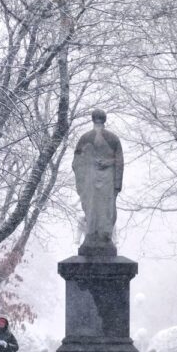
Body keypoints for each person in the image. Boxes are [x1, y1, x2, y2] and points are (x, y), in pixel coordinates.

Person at [72, 109, 124, 254]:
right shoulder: (91, 138)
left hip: (103, 181)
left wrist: (116, 183)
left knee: (103, 209)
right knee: (96, 208)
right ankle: (96, 236)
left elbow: (119, 162)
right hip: (94, 180)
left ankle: (101, 237)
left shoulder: (104, 139)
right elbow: (77, 161)